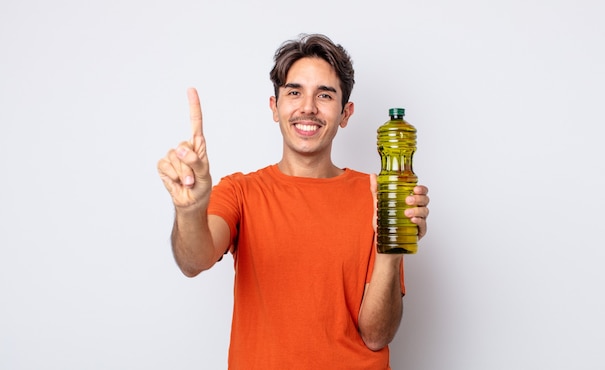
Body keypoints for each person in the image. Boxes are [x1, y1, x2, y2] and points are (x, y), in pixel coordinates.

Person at [157, 33, 430, 369]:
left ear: (346, 113)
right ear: (275, 107)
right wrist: (189, 209)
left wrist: (390, 248)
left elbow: (376, 335)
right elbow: (193, 261)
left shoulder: (377, 194)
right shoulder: (241, 191)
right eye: (294, 92)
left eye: (325, 95)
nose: (308, 107)